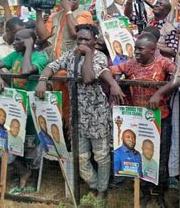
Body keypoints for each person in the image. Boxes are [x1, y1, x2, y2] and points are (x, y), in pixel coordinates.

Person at [35, 24, 120, 200]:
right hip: (77, 115)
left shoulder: (100, 57)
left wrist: (88, 53)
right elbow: (52, 66)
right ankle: (94, 185)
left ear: (94, 41)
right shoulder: (70, 55)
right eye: (79, 39)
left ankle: (102, 191)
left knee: (101, 156)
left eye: (86, 39)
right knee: (81, 158)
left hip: (97, 115)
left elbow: (88, 78)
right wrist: (43, 79)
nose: (81, 42)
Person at [110, 33, 180, 204]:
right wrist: (113, 85)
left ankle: (159, 194)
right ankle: (144, 192)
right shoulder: (131, 64)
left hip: (159, 120)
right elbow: (105, 71)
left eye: (140, 49)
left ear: (153, 50)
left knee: (159, 159)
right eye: (135, 48)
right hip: (137, 121)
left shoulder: (163, 63)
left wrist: (159, 93)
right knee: (140, 156)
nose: (136, 52)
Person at [0, 28, 48, 191]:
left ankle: (34, 182)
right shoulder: (14, 55)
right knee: (8, 146)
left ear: (29, 41)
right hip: (15, 110)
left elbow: (27, 71)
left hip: (32, 111)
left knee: (32, 147)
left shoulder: (39, 57)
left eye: (18, 40)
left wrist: (29, 48)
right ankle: (23, 172)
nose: (13, 43)